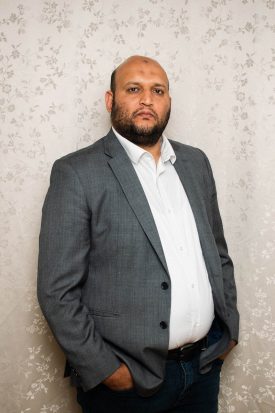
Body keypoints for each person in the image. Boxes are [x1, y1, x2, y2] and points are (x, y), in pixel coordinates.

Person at [37, 55, 239, 413]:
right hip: (127, 386)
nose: (147, 99)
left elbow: (218, 255)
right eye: (134, 89)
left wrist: (229, 330)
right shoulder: (77, 173)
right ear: (110, 100)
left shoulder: (196, 164)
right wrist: (107, 371)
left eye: (157, 90)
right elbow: (57, 291)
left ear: (169, 102)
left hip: (203, 369)